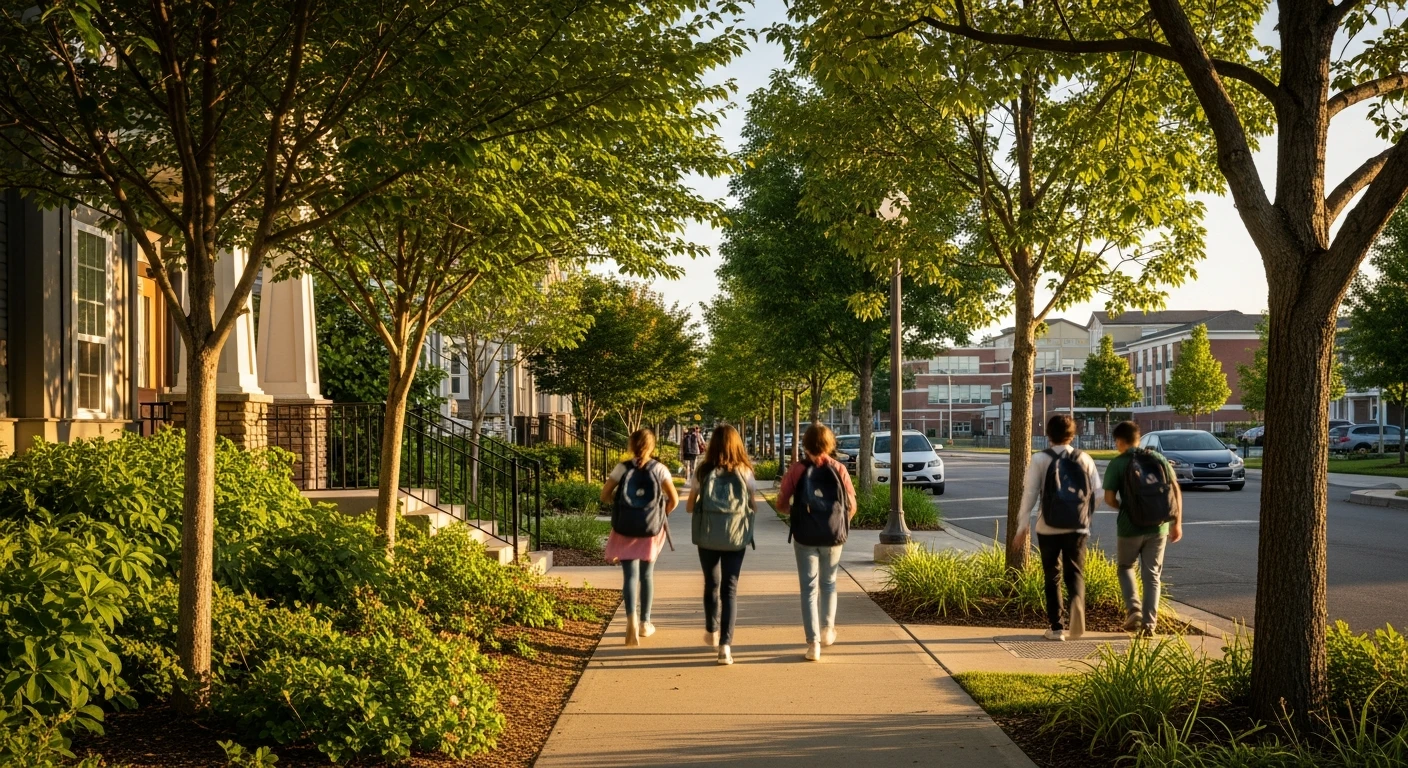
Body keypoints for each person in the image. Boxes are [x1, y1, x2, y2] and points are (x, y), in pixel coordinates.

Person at [1011, 414, 1101, 641]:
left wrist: (1023, 526)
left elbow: (1030, 493)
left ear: (1048, 434)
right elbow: (1097, 492)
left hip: (1048, 527)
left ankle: (1056, 627)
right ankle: (1077, 607)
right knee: (1075, 573)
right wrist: (1084, 515)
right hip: (1078, 528)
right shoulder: (1085, 458)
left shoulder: (1041, 459)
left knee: (1052, 575)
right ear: (1072, 434)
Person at [776, 423, 856, 661]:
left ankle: (813, 644)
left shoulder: (797, 470)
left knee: (808, 589)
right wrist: (838, 521)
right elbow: (851, 506)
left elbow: (781, 504)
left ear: (805, 443)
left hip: (805, 536)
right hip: (833, 536)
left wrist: (800, 514)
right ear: (829, 444)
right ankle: (828, 629)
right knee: (829, 583)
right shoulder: (839, 468)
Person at [687, 424, 763, 665]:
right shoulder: (745, 471)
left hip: (708, 535)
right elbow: (754, 506)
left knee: (711, 583)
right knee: (730, 589)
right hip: (736, 536)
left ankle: (711, 628)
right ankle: (726, 647)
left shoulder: (703, 470)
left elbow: (689, 506)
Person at [601, 428, 679, 646]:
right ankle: (645, 623)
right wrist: (659, 515)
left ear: (631, 446)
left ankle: (630, 619)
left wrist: (619, 508)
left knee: (630, 576)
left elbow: (604, 495)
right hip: (649, 530)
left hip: (625, 528)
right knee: (647, 575)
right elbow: (674, 500)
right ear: (651, 446)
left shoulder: (622, 468)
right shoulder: (660, 469)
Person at [1104, 421, 1183, 636]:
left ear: (1119, 441)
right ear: (1138, 439)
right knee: (1152, 575)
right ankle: (1149, 624)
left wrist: (1125, 507)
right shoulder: (1158, 459)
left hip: (1130, 527)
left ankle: (1134, 609)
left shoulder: (1118, 464)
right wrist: (1177, 523)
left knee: (1125, 567)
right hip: (1159, 527)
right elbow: (1174, 489)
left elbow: (1109, 498)